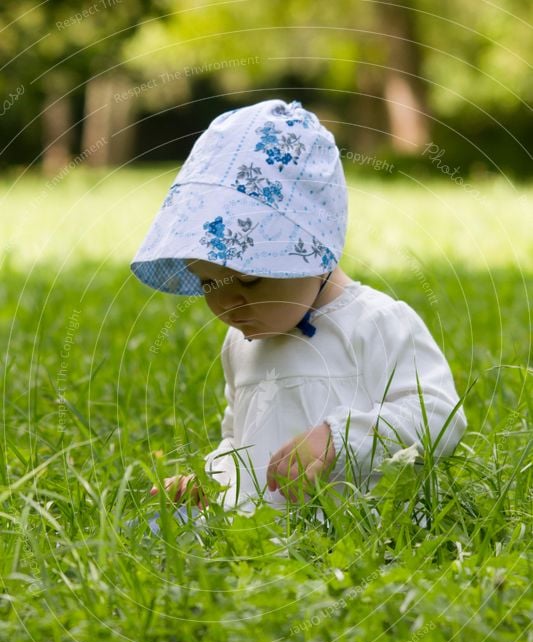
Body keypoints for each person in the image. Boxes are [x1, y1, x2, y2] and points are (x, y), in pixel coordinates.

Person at [130, 99, 466, 514]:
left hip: (357, 538)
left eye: (250, 278)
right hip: (263, 546)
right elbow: (241, 440)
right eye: (207, 282)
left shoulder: (377, 323)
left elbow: (438, 417)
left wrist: (338, 438)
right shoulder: (240, 344)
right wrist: (211, 482)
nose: (226, 302)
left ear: (313, 248)